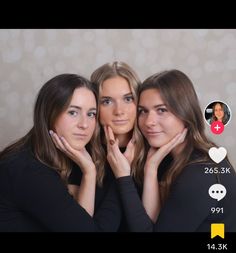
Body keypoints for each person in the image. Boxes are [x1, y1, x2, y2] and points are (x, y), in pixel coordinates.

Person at [104, 69, 236, 232]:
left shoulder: (199, 173)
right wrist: (150, 169)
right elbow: (154, 224)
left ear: (185, 112)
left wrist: (123, 177)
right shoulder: (180, 159)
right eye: (143, 111)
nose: (149, 122)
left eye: (162, 110)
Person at [0, 73, 121, 232]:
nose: (84, 124)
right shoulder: (29, 170)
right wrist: (122, 181)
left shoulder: (47, 156)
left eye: (91, 114)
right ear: (49, 114)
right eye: (73, 112)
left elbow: (81, 220)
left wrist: (89, 172)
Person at [67, 61, 144, 231]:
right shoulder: (79, 155)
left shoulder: (154, 155)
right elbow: (80, 227)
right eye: (107, 101)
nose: (119, 111)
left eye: (128, 99)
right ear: (94, 106)